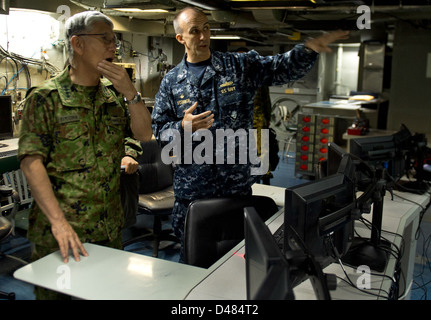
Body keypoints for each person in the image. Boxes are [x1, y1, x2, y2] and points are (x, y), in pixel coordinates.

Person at [152, 6, 349, 262]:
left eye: (207, 29)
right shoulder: (171, 81)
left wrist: (308, 49)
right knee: (192, 264)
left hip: (234, 188)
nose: (203, 37)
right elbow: (159, 131)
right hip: (192, 192)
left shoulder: (238, 66)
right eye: (194, 31)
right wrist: (182, 127)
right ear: (181, 38)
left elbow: (281, 68)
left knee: (238, 262)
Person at [18, 10, 152, 287]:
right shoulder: (46, 98)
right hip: (63, 232)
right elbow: (32, 164)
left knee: (106, 293)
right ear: (77, 44)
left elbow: (144, 134)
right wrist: (59, 223)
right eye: (104, 39)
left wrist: (130, 93)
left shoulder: (113, 95)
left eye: (114, 40)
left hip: (109, 228)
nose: (112, 47)